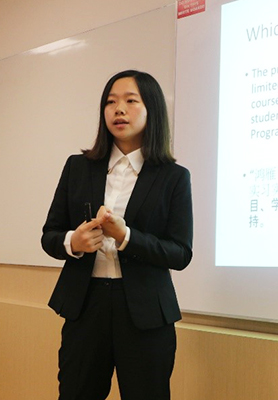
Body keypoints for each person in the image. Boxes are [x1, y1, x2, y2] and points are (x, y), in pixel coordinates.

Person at [41, 70, 193, 400]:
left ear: (152, 109)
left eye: (130, 101)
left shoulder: (173, 177)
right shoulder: (77, 167)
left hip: (144, 313)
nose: (118, 109)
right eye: (110, 102)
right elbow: (50, 235)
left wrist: (127, 237)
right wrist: (73, 242)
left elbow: (181, 253)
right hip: (86, 306)